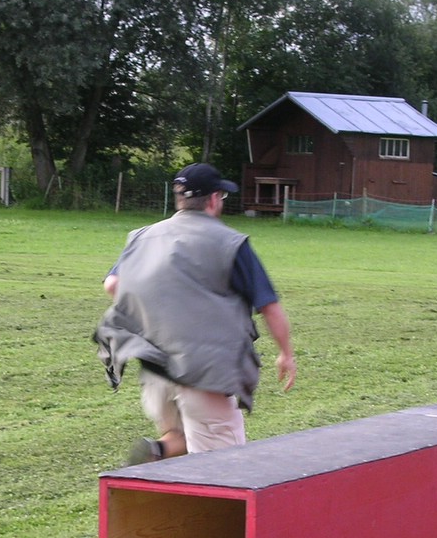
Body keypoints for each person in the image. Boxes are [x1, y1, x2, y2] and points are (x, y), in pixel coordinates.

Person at [94, 162, 296, 464]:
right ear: (213, 199)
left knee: (184, 437)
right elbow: (269, 305)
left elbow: (113, 284)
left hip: (156, 372)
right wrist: (286, 354)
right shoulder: (229, 242)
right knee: (223, 465)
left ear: (180, 199)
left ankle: (158, 451)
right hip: (203, 372)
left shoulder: (143, 236)